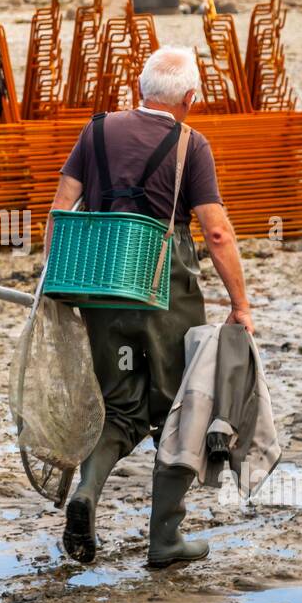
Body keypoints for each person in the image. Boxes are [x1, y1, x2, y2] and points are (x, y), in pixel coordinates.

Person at [44, 47, 254, 568]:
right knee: (176, 410)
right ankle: (165, 540)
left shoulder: (94, 132)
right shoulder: (191, 144)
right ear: (189, 99)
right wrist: (240, 304)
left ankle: (86, 495)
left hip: (99, 285)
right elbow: (218, 232)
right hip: (165, 289)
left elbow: (59, 211)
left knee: (118, 408)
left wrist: (57, 284)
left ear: (142, 90)